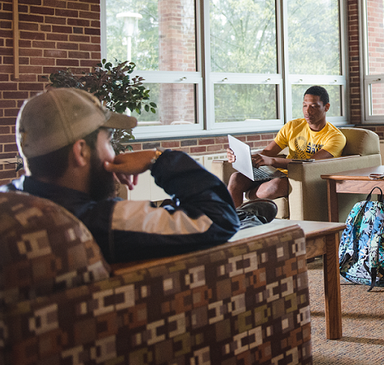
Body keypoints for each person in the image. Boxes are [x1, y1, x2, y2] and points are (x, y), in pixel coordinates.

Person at [4, 87, 241, 264]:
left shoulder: (10, 204)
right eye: (108, 142)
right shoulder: (97, 222)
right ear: (81, 152)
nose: (115, 152)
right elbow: (219, 219)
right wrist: (158, 159)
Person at [226, 85, 346, 207]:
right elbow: (268, 152)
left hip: (303, 177)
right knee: (236, 178)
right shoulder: (293, 126)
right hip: (279, 173)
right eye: (304, 105)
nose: (307, 111)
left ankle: (248, 199)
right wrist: (242, 156)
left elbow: (309, 164)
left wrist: (272, 161)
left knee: (274, 186)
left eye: (313, 106)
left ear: (326, 107)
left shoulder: (335, 137)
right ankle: (234, 224)